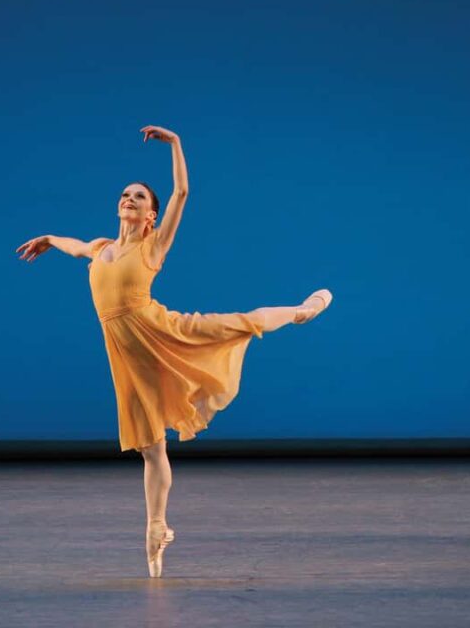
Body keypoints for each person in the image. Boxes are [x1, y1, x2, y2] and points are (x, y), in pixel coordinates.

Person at [16, 125, 332, 578]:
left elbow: (182, 192)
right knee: (151, 448)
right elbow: (76, 247)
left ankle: (302, 311)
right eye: (125, 194)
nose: (129, 198)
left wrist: (177, 145)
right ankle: (156, 529)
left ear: (150, 216)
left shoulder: (152, 246)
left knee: (238, 324)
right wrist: (49, 238)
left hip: (163, 331)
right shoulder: (102, 248)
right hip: (126, 357)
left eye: (140, 197)